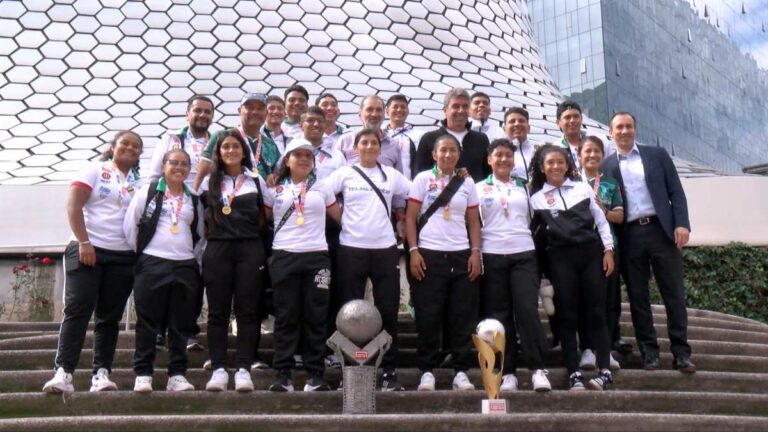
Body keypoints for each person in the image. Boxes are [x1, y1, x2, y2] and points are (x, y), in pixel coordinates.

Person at [43, 131, 143, 393]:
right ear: (112, 147)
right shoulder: (94, 169)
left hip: (122, 256)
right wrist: (84, 242)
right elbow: (73, 206)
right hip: (88, 248)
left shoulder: (139, 182)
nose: (130, 149)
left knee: (109, 317)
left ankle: (101, 374)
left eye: (136, 147)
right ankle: (63, 372)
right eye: (125, 144)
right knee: (78, 309)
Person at [600, 112, 695, 374]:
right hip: (629, 236)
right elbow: (606, 207)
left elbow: (676, 191)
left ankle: (681, 353)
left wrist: (682, 223)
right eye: (619, 127)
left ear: (635, 130)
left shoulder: (657, 155)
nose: (624, 131)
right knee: (638, 296)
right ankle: (649, 353)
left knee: (673, 293)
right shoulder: (606, 167)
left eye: (628, 126)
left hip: (661, 231)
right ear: (611, 133)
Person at [325, 129, 411, 391]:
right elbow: (325, 195)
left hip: (385, 248)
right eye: (365, 142)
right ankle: (349, 370)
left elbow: (414, 194)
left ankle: (388, 371)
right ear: (355, 147)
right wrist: (344, 221)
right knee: (349, 313)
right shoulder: (345, 173)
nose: (370, 146)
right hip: (351, 248)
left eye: (374, 143)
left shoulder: (392, 175)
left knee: (387, 311)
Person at [529, 144, 615, 391]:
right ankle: (573, 372)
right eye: (550, 163)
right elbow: (533, 236)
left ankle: (605, 371)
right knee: (567, 315)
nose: (556, 166)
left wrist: (608, 250)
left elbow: (600, 220)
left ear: (568, 165)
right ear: (542, 168)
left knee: (597, 312)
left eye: (560, 162)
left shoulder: (582, 188)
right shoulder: (535, 199)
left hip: (591, 254)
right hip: (560, 258)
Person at [264, 138, 341, 392]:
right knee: (286, 315)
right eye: (298, 155)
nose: (304, 160)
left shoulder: (323, 187)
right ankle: (283, 374)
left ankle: (315, 374)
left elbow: (339, 219)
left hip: (317, 256)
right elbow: (262, 219)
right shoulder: (274, 189)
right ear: (287, 160)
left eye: (309, 156)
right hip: (284, 255)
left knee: (316, 316)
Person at [406, 134, 482, 392]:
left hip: (461, 254)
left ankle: (461, 370)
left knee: (461, 315)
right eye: (443, 150)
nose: (448, 155)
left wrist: (475, 252)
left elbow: (473, 221)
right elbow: (410, 218)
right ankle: (427, 370)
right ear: (434, 154)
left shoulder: (467, 182)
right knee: (428, 314)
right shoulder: (421, 180)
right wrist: (413, 250)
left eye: (453, 151)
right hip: (429, 253)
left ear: (459, 155)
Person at [123, 149, 203, 393]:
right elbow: (130, 226)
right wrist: (145, 256)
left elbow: (200, 234)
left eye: (184, 164)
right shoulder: (148, 192)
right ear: (164, 165)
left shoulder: (194, 199)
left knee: (181, 323)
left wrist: (191, 259)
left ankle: (177, 374)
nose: (179, 168)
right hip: (152, 263)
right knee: (147, 322)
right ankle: (144, 373)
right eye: (173, 163)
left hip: (185, 265)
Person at [475, 139, 551, 392]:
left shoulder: (525, 187)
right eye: (498, 155)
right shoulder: (478, 188)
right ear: (489, 159)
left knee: (527, 311)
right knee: (499, 315)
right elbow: (473, 223)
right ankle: (507, 372)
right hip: (492, 253)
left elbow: (538, 218)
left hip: (523, 253)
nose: (504, 160)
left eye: (508, 156)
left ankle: (538, 369)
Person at [198, 129, 269, 392]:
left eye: (235, 147)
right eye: (225, 147)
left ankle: (242, 368)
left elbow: (267, 214)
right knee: (217, 313)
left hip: (250, 249)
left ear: (244, 151)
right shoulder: (208, 182)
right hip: (217, 249)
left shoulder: (255, 179)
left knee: (248, 312)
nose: (230, 151)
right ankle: (218, 369)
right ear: (218, 152)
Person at [147, 94, 213, 353]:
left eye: (207, 112)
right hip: (173, 205)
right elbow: (154, 176)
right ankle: (157, 330)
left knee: (195, 266)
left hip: (205, 207)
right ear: (188, 114)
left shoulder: (216, 142)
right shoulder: (171, 139)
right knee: (164, 265)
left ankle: (187, 329)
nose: (202, 116)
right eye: (197, 110)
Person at [577, 136, 626, 371]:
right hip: (579, 247)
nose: (592, 156)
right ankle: (586, 348)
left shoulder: (609, 183)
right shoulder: (571, 182)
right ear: (579, 155)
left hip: (606, 247)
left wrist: (601, 209)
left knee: (607, 301)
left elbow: (619, 216)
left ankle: (604, 349)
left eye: (597, 151)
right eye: (587, 151)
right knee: (583, 300)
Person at [193, 92, 279, 190]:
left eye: (260, 108)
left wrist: (273, 177)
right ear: (239, 111)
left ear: (266, 113)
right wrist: (193, 193)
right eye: (250, 107)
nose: (255, 112)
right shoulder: (221, 136)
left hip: (263, 202)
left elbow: (279, 174)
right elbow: (203, 169)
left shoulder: (271, 145)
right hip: (227, 200)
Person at [414, 88, 490, 182]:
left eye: (465, 106)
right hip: (440, 195)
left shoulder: (481, 139)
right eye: (456, 106)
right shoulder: (429, 139)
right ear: (445, 110)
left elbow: (489, 175)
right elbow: (419, 175)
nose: (461, 111)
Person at [335, 95, 402, 171]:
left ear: (384, 114)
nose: (374, 114)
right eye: (369, 109)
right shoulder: (345, 141)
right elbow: (334, 173)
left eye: (379, 110)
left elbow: (399, 179)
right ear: (360, 114)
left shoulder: (393, 145)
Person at [384, 93, 422, 179]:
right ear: (387, 111)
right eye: (395, 107)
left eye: (403, 107)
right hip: (384, 186)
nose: (399, 109)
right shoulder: (379, 136)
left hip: (411, 187)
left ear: (408, 111)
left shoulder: (418, 136)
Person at [502, 107, 537, 181]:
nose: (517, 124)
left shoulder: (538, 151)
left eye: (521, 121)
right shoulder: (498, 154)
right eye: (512, 121)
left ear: (529, 128)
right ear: (504, 128)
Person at [555, 100, 586, 174]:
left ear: (581, 119)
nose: (572, 120)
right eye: (567, 117)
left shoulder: (597, 143)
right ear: (558, 123)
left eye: (576, 116)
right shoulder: (555, 149)